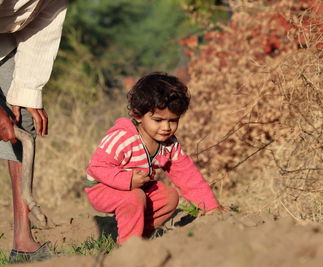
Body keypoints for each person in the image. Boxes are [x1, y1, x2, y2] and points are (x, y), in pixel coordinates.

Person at [84, 72, 225, 244]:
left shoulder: (169, 145)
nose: (166, 127)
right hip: (102, 187)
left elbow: (188, 177)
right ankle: (130, 247)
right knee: (134, 197)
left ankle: (138, 236)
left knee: (169, 197)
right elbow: (97, 167)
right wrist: (127, 180)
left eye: (173, 121)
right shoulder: (123, 138)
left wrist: (211, 207)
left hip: (138, 187)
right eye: (158, 120)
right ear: (138, 115)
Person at [0, 0, 67, 263]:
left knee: (22, 116)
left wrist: (27, 90)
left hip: (4, 38)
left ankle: (23, 242)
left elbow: (44, 23)